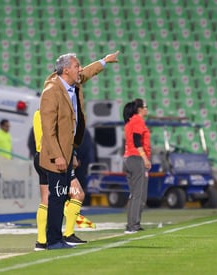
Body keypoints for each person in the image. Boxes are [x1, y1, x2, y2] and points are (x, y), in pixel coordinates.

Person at [39, 50, 120, 249]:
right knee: (57, 198)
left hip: (67, 153)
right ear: (66, 70)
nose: (80, 69)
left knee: (62, 196)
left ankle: (59, 237)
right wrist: (58, 156)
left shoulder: (71, 82)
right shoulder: (52, 92)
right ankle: (53, 240)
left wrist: (105, 61)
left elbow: (87, 73)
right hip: (55, 156)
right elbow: (48, 130)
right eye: (76, 66)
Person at [32, 110, 94, 251]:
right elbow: (59, 137)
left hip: (39, 156)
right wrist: (72, 155)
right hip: (54, 157)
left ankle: (41, 241)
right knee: (77, 194)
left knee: (45, 199)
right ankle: (67, 234)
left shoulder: (38, 113)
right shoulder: (54, 114)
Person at [122, 99, 151, 234]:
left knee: (134, 194)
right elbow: (137, 140)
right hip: (136, 158)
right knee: (138, 195)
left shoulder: (129, 122)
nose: (147, 109)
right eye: (145, 107)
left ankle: (132, 224)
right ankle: (133, 225)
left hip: (128, 158)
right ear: (140, 109)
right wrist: (144, 158)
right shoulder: (138, 120)